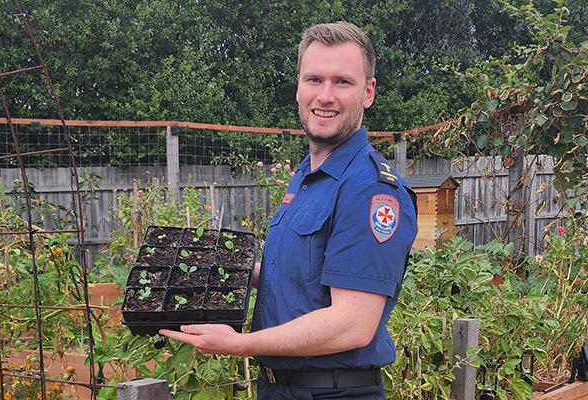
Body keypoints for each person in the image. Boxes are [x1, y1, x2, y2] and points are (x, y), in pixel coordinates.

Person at [160, 21, 418, 399]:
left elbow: (353, 324)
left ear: (368, 92)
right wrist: (237, 273)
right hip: (280, 389)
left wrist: (239, 344)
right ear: (298, 87)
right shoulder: (307, 177)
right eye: (314, 79)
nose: (325, 95)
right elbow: (305, 281)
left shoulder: (371, 189)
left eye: (342, 82)